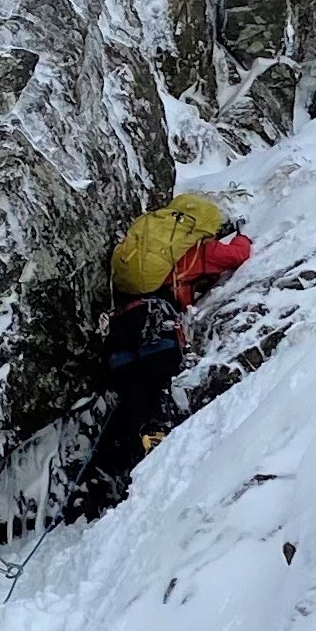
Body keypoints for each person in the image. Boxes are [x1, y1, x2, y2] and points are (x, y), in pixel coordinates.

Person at [78, 193, 253, 518]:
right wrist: (243, 234)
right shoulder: (196, 250)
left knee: (129, 410)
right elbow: (238, 255)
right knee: (160, 406)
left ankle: (98, 486)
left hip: (119, 337)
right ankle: (147, 491)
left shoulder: (143, 248)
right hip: (157, 331)